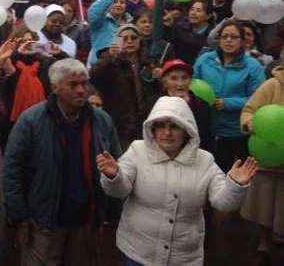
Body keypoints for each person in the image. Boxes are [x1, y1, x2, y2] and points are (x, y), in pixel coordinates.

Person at [97, 96, 257, 266]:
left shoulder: (204, 160)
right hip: (138, 252)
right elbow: (119, 190)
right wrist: (113, 176)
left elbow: (222, 202)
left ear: (186, 130)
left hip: (184, 257)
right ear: (152, 128)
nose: (167, 132)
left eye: (174, 126)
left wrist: (235, 184)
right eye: (161, 126)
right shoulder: (137, 151)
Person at [2, 58, 122, 266]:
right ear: (54, 87)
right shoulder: (31, 120)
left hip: (85, 220)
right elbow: (12, 169)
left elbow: (117, 165)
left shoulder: (101, 120)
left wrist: (110, 212)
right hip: (45, 221)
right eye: (73, 85)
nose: (81, 90)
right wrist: (19, 215)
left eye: (84, 84)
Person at [193, 20, 265, 172]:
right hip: (206, 129)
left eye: (234, 37)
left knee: (232, 175)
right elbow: (193, 86)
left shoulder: (253, 66)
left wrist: (228, 103)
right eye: (225, 36)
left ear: (242, 41)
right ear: (218, 40)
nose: (229, 40)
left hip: (236, 132)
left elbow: (257, 100)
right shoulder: (205, 60)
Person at [240, 58, 284, 266]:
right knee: (264, 207)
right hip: (268, 159)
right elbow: (248, 111)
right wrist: (253, 125)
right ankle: (263, 246)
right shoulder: (271, 85)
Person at [90, 24, 159, 145]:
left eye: (133, 38)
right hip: (119, 123)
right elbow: (94, 77)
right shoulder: (109, 59)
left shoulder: (147, 61)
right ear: (117, 41)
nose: (130, 41)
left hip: (144, 122)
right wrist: (110, 58)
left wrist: (159, 77)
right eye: (124, 38)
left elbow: (155, 90)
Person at [137, 59, 213, 152]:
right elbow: (142, 134)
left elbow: (206, 140)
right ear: (165, 82)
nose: (180, 84)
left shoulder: (202, 106)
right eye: (174, 78)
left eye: (184, 78)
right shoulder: (151, 104)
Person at [87, 0, 131, 64]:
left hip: (120, 68)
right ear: (108, 4)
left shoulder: (130, 24)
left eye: (122, 2)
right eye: (115, 2)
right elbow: (92, 13)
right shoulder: (100, 22)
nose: (118, 5)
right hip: (98, 66)